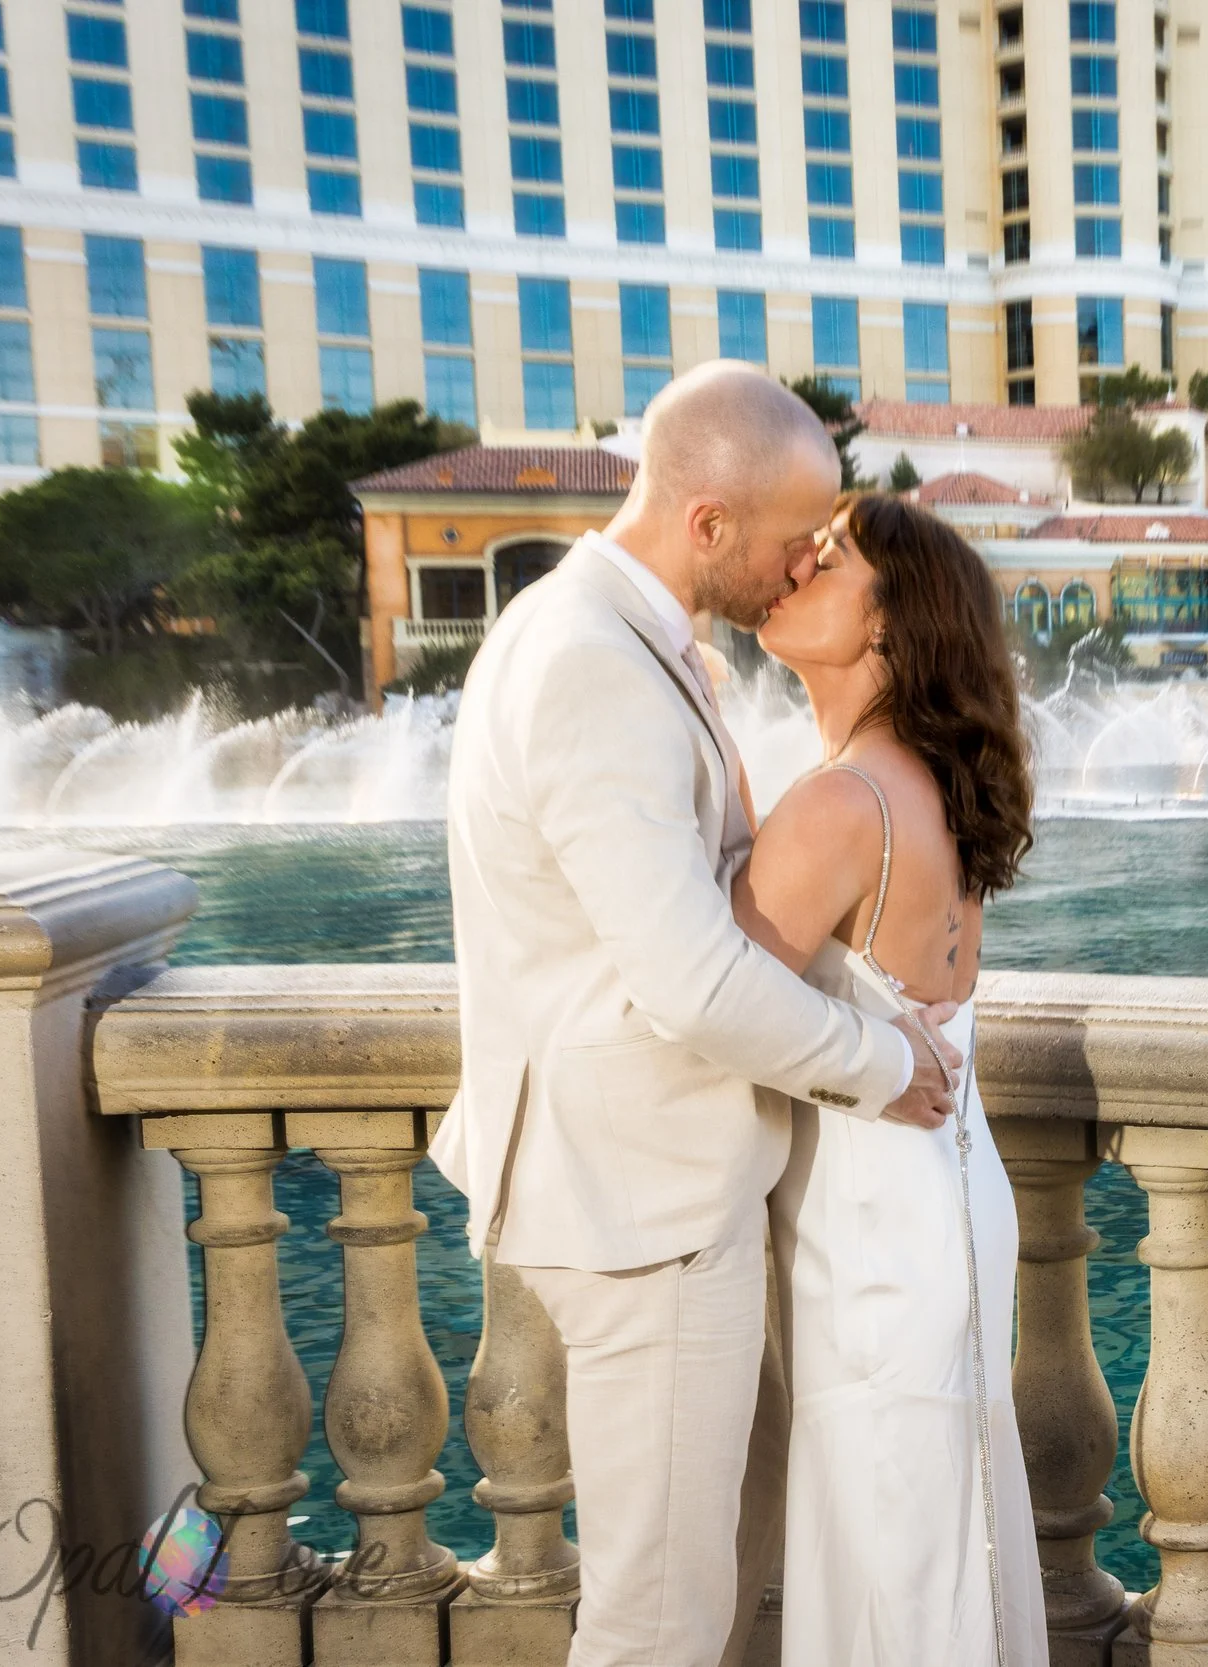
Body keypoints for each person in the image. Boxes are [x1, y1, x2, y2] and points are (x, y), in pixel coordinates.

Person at [428, 362, 962, 1667]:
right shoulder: (588, 663)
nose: (799, 571)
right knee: (658, 1618)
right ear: (709, 522)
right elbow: (690, 976)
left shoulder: (623, 641)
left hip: (652, 1185)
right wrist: (881, 1060)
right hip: (642, 1203)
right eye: (792, 542)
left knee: (691, 1593)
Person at [735, 493, 1049, 1665]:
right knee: (937, 1535)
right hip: (947, 1202)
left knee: (883, 1554)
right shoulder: (930, 791)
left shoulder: (840, 804)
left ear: (888, 623)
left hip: (870, 1231)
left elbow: (704, 1010)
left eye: (833, 557)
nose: (798, 564)